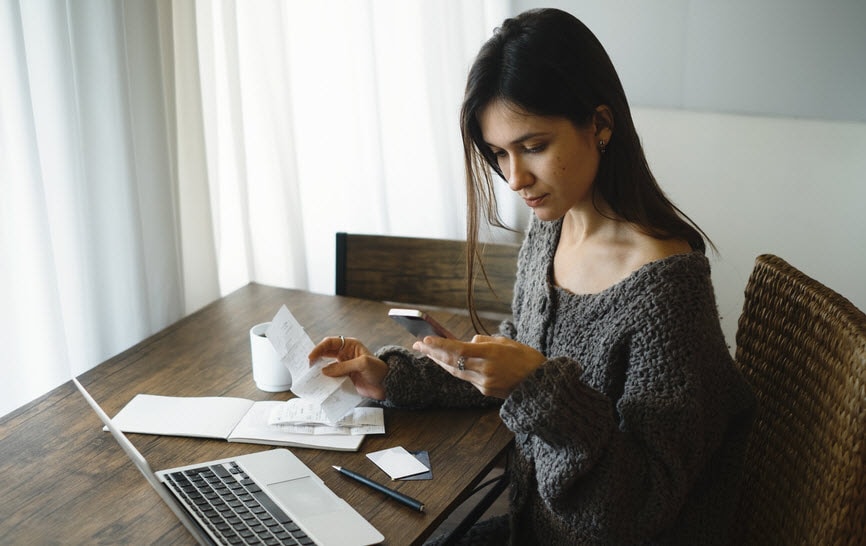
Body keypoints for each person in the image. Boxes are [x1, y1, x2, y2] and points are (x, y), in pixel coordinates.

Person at [310, 8, 755, 545]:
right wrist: (391, 376)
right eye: (499, 153)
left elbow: (641, 505)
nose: (515, 178)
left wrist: (534, 386)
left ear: (601, 124)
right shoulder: (553, 226)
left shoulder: (666, 290)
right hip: (531, 525)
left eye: (534, 146)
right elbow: (518, 357)